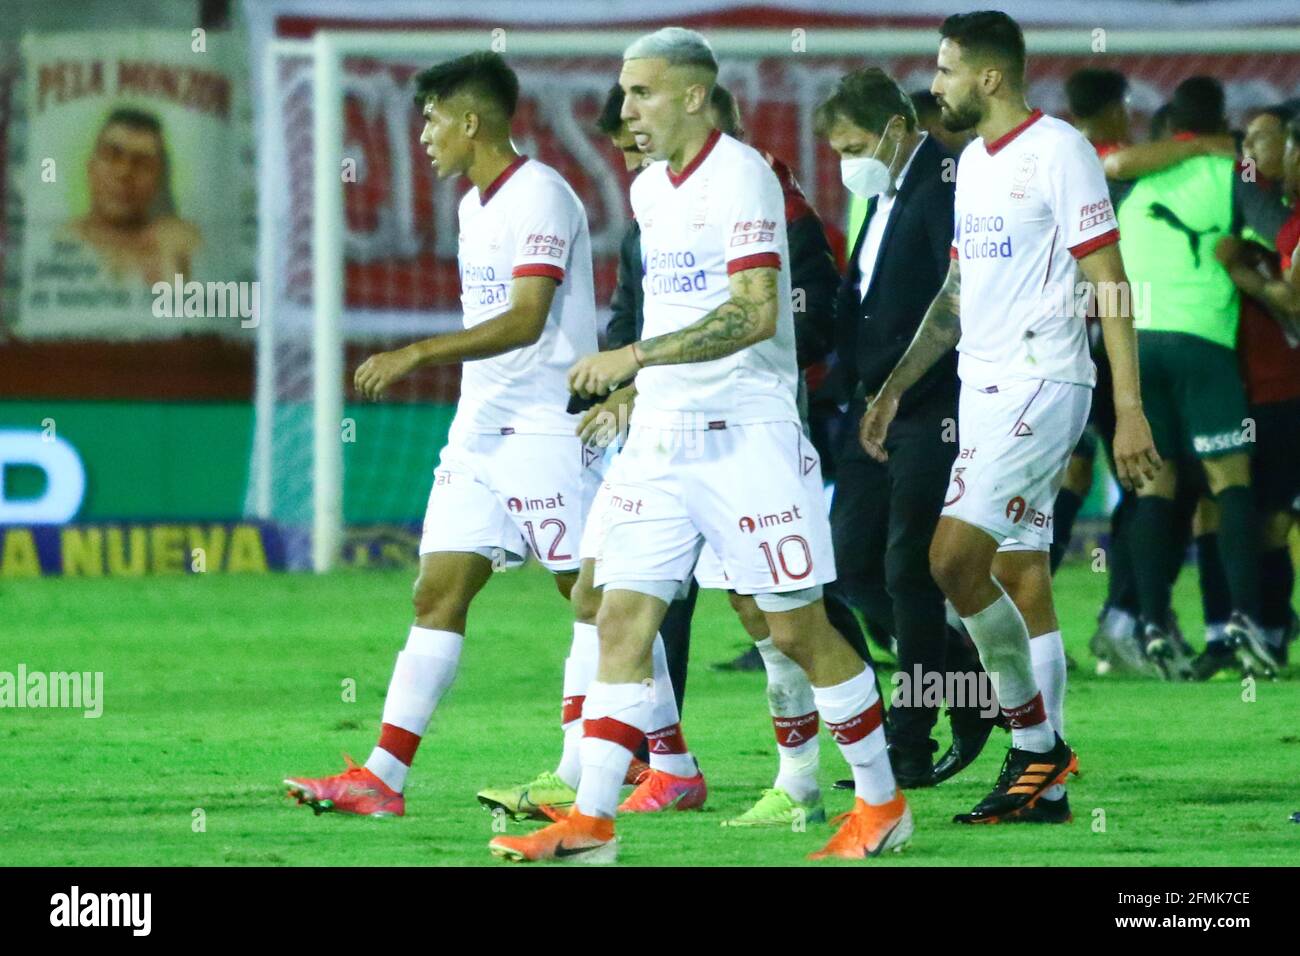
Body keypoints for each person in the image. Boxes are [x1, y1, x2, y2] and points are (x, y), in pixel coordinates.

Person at [489, 27, 909, 863]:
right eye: (624, 90)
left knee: (797, 632)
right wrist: (639, 392)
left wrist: (633, 357)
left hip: (746, 440)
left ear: (691, 95)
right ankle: (594, 822)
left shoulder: (743, 177)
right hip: (661, 442)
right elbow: (682, 315)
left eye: (642, 91)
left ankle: (881, 804)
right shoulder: (650, 191)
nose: (626, 108)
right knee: (618, 616)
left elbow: (757, 311)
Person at [281, 51, 660, 816]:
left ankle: (645, 765)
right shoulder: (471, 207)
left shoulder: (542, 198)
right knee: (436, 592)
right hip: (479, 433)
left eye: (430, 119)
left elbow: (525, 319)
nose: (421, 135)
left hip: (550, 432)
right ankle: (382, 779)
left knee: (594, 600)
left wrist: (419, 350)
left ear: (470, 121)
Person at [861, 10, 1159, 825]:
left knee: (952, 562)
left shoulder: (1058, 151)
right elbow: (957, 297)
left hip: (1044, 380)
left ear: (989, 77)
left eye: (947, 68)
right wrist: (893, 387)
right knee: (1018, 578)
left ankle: (1035, 745)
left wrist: (1127, 410)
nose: (936, 83)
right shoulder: (975, 168)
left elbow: (1113, 281)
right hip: (982, 389)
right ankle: (1047, 787)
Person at [816, 66, 996, 788]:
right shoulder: (885, 191)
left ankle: (911, 741)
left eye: (853, 145)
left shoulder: (945, 185)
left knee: (909, 572)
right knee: (853, 566)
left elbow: (957, 299)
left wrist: (896, 386)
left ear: (895, 129)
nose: (844, 162)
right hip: (872, 404)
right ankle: (970, 686)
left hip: (935, 404)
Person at [1117, 76, 1278, 679]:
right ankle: (1243, 619)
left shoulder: (1130, 176)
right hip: (1203, 343)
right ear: (1221, 121)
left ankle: (1153, 623)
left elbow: (1110, 166)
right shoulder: (1233, 175)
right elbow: (1281, 231)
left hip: (1135, 344)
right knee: (1228, 483)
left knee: (1155, 489)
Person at [65, 108, 201, 286]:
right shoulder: (61, 240)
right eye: (112, 156)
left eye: (143, 164)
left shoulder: (182, 246)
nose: (124, 172)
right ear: (91, 167)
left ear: (158, 180)